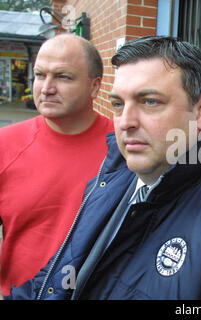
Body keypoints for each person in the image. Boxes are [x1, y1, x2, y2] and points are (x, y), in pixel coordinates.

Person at [7, 36, 201, 300]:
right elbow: (58, 279)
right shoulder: (113, 177)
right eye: (118, 104)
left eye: (150, 102)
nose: (125, 122)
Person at [0, 33, 114, 297]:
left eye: (63, 77)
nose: (46, 88)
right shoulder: (5, 145)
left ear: (95, 86)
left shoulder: (125, 148)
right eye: (40, 75)